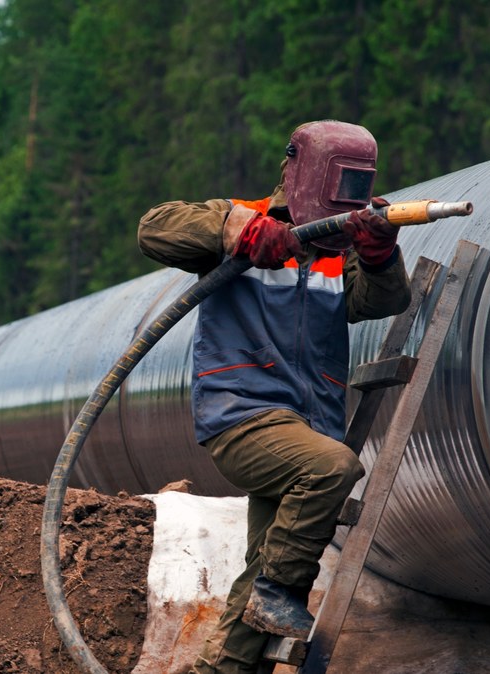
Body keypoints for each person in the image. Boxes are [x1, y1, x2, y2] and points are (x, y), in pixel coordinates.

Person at [137, 120, 412, 673]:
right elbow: (154, 229)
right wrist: (236, 230)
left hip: (308, 425)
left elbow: (379, 301)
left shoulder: (340, 247)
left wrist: (379, 254)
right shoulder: (248, 219)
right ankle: (276, 595)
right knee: (333, 471)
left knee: (268, 559)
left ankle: (228, 667)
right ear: (298, 171)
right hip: (244, 416)